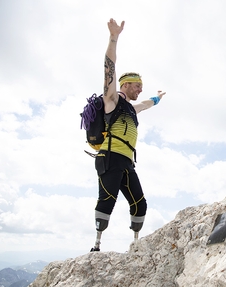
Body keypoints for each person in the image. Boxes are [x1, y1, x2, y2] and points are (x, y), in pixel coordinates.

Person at [91, 18, 166, 252]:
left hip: (126, 161)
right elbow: (108, 67)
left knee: (139, 203)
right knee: (107, 201)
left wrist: (158, 98)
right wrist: (114, 37)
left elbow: (146, 103)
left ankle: (135, 243)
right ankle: (96, 245)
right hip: (110, 157)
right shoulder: (112, 100)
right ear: (125, 85)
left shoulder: (133, 109)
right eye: (137, 85)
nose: (140, 89)